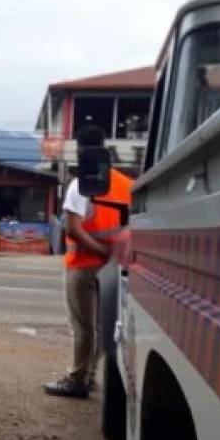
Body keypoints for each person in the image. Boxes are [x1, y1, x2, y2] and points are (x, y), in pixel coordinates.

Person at [44, 125, 133, 398]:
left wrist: (98, 251)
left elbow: (72, 229)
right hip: (114, 268)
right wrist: (112, 256)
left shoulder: (80, 183)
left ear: (81, 150)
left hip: (84, 264)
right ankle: (90, 376)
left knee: (83, 327)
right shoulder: (125, 183)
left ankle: (77, 380)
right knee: (102, 328)